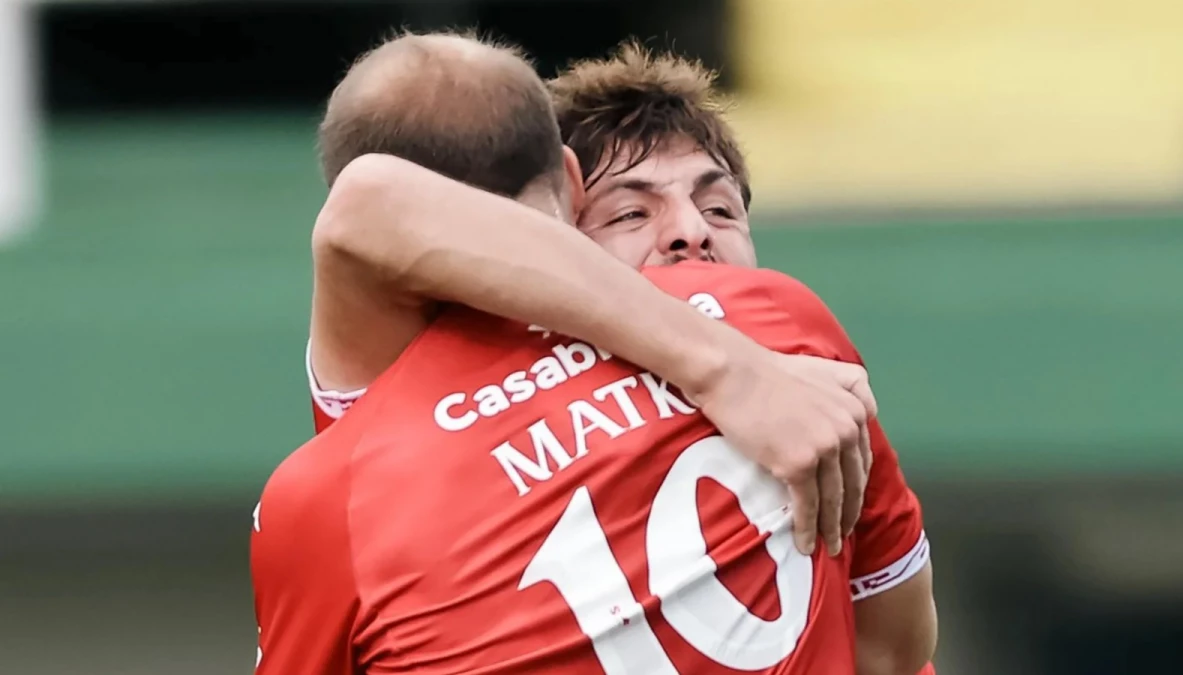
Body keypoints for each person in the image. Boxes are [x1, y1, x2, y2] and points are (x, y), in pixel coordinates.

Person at [253, 33, 936, 674]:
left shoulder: (334, 484)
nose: (691, 238)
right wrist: (729, 366)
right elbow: (890, 649)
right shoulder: (775, 336)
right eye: (631, 214)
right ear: (571, 199)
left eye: (722, 209)